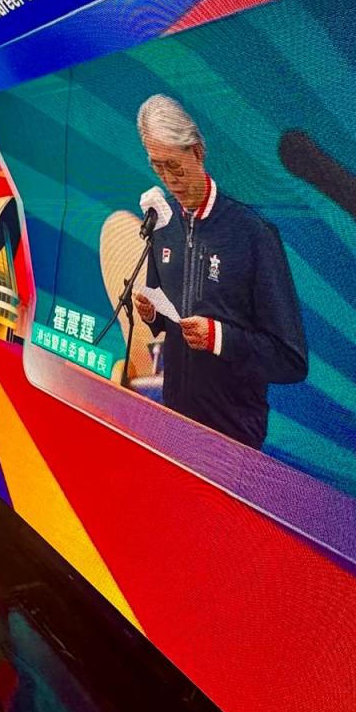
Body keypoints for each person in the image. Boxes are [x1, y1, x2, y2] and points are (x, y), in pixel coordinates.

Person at [130, 94, 308, 450]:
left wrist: (219, 337)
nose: (169, 180)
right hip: (176, 417)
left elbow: (291, 360)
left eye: (175, 166)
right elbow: (166, 314)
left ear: (197, 152)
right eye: (158, 168)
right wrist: (152, 316)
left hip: (233, 429)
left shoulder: (252, 234)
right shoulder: (163, 224)